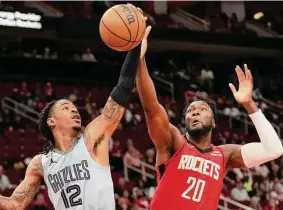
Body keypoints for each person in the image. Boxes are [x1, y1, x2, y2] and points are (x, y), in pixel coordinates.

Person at [135, 13, 283, 210]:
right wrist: (139, 61)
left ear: (214, 122)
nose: (194, 112)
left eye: (202, 109)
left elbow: (275, 149)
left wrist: (249, 105)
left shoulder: (224, 156)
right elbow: (152, 108)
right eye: (190, 110)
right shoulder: (173, 143)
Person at [0, 24, 151, 210]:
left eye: (74, 108)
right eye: (66, 107)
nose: (74, 111)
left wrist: (135, 46)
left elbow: (123, 88)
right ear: (51, 121)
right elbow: (14, 204)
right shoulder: (41, 163)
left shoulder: (91, 138)